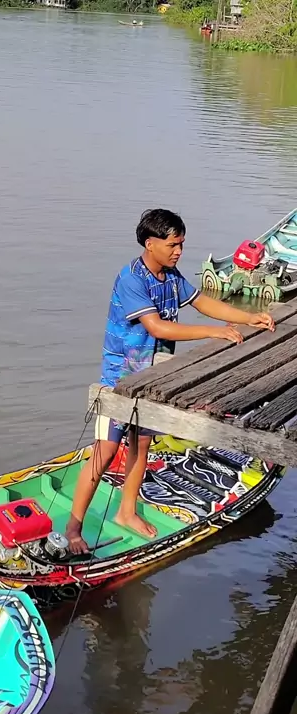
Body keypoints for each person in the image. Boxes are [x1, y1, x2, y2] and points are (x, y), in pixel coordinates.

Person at [65, 208, 275, 554]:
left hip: (154, 377)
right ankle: (74, 527)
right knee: (105, 451)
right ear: (150, 244)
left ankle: (127, 512)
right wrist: (214, 333)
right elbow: (157, 327)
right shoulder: (132, 279)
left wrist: (248, 318)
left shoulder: (171, 277)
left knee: (142, 444)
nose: (178, 251)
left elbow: (203, 302)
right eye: (172, 245)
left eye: (181, 244)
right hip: (120, 379)